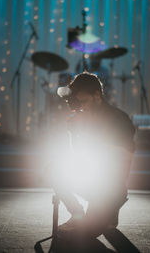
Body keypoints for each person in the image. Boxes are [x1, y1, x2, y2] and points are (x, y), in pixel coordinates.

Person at [54, 71, 135, 239]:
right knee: (53, 170)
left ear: (97, 95)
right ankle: (78, 214)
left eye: (84, 101)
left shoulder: (119, 119)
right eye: (78, 102)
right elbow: (79, 156)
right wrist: (74, 134)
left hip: (111, 186)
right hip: (92, 181)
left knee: (85, 236)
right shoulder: (83, 117)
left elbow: (124, 159)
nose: (82, 106)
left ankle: (109, 210)